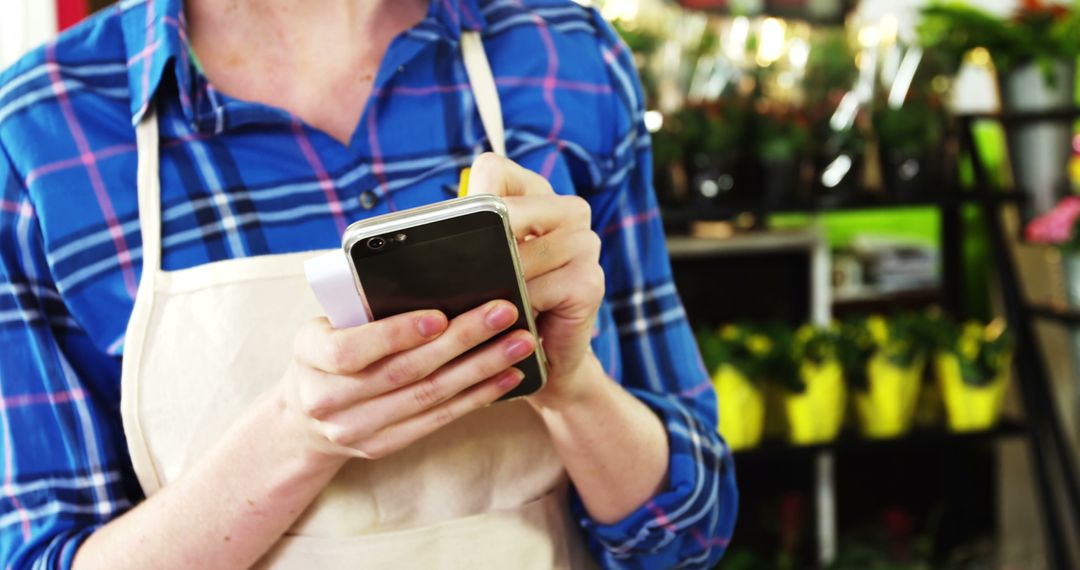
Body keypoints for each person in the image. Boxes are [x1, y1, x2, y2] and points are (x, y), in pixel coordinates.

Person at [0, 0, 737, 568]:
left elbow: (692, 529)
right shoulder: (40, 132)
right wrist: (297, 432)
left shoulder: (560, 54)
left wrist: (571, 384)